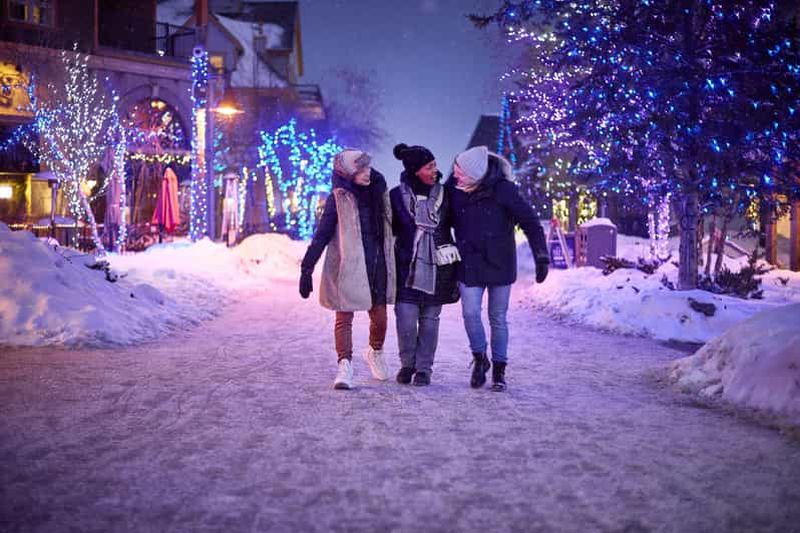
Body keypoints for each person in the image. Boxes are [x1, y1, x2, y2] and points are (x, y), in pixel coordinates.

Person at [445, 145, 549, 391]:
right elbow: (440, 222)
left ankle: (500, 370)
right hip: (469, 262)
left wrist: (541, 256)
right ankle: (480, 359)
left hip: (500, 262)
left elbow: (531, 223)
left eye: (460, 171)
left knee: (497, 318)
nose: (455, 174)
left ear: (476, 173)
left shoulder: (503, 190)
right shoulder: (454, 191)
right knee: (470, 313)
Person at [299, 149, 396, 390]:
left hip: (376, 264)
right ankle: (344, 364)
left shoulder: (380, 194)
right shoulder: (338, 198)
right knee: (344, 317)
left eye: (368, 168)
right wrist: (306, 267)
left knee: (380, 318)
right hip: (349, 266)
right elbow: (321, 235)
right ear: (348, 172)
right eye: (361, 169)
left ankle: (375, 350)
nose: (367, 173)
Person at [390, 143, 460, 387]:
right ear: (415, 170)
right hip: (406, 269)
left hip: (438, 269)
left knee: (430, 320)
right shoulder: (395, 196)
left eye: (434, 166)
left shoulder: (446, 195)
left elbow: (459, 227)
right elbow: (389, 232)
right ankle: (407, 364)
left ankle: (423, 369)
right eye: (429, 166)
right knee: (406, 319)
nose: (434, 170)